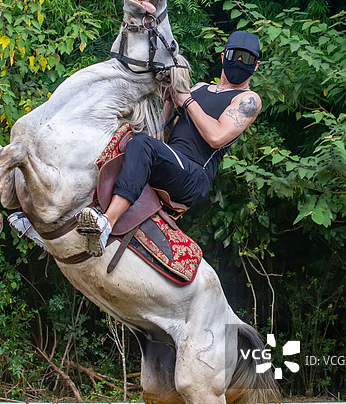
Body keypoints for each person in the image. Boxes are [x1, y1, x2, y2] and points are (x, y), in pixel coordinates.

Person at [75, 30, 262, 256]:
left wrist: (187, 100)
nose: (240, 62)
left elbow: (216, 137)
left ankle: (107, 224)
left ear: (257, 65)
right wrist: (170, 101)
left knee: (143, 145)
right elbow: (162, 135)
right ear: (224, 56)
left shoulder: (247, 99)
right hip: (171, 159)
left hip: (194, 174)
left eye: (247, 59)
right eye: (235, 55)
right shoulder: (200, 88)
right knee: (123, 138)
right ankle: (63, 213)